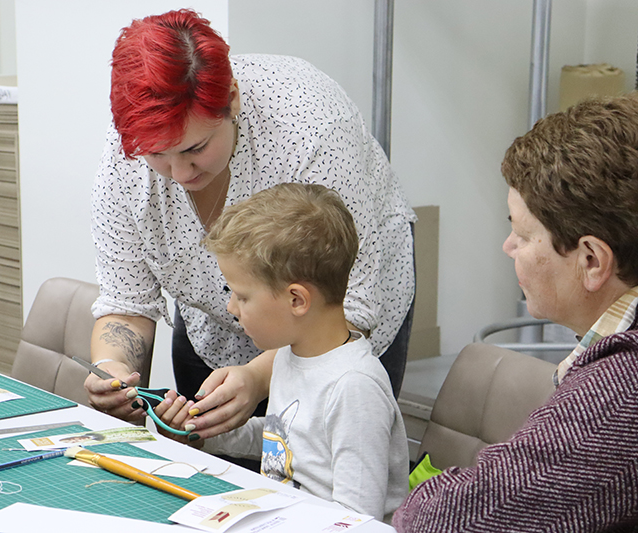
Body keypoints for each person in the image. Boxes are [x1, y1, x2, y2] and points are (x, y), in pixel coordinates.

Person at [85, 8, 416, 441]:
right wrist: (112, 369)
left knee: (317, 463)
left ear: (233, 100)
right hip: (212, 336)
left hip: (331, 337)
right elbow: (127, 301)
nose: (179, 173)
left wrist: (260, 377)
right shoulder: (125, 158)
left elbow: (348, 305)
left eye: (195, 148)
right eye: (157, 155)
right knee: (210, 458)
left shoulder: (310, 128)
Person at [393, 94, 638, 532]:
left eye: (523, 235)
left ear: (592, 261)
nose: (508, 247)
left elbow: (440, 521)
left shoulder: (620, 391)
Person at [151, 183, 409, 519]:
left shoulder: (354, 388)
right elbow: (283, 440)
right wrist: (200, 435)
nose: (231, 307)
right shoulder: (292, 356)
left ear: (296, 300)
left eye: (242, 296)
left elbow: (357, 518)